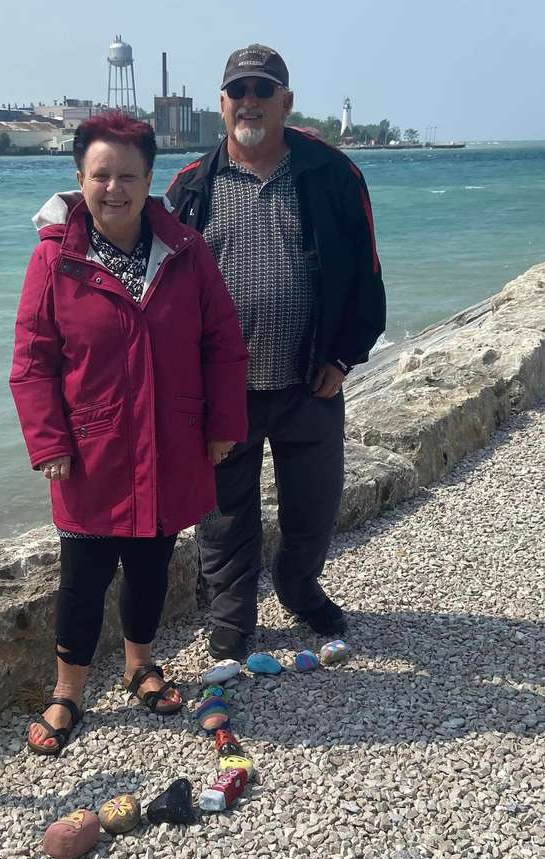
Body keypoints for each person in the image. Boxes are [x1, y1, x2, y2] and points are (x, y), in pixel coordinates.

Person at [10, 113, 248, 755]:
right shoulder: (53, 259)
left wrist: (225, 425)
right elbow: (33, 362)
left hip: (172, 441)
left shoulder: (188, 252)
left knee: (150, 560)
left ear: (150, 179)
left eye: (128, 175)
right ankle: (69, 691)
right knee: (83, 572)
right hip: (91, 449)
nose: (114, 188)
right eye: (101, 175)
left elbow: (223, 345)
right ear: (78, 177)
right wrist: (49, 441)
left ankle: (139, 664)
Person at [165, 44, 386, 660]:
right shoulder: (189, 189)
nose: (250, 101)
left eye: (264, 89)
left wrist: (343, 359)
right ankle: (231, 619)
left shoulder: (334, 176)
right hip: (222, 391)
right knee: (224, 515)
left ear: (287, 101)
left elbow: (366, 279)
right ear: (220, 105)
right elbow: (152, 283)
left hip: (309, 378)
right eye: (238, 90)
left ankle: (298, 587)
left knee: (312, 506)